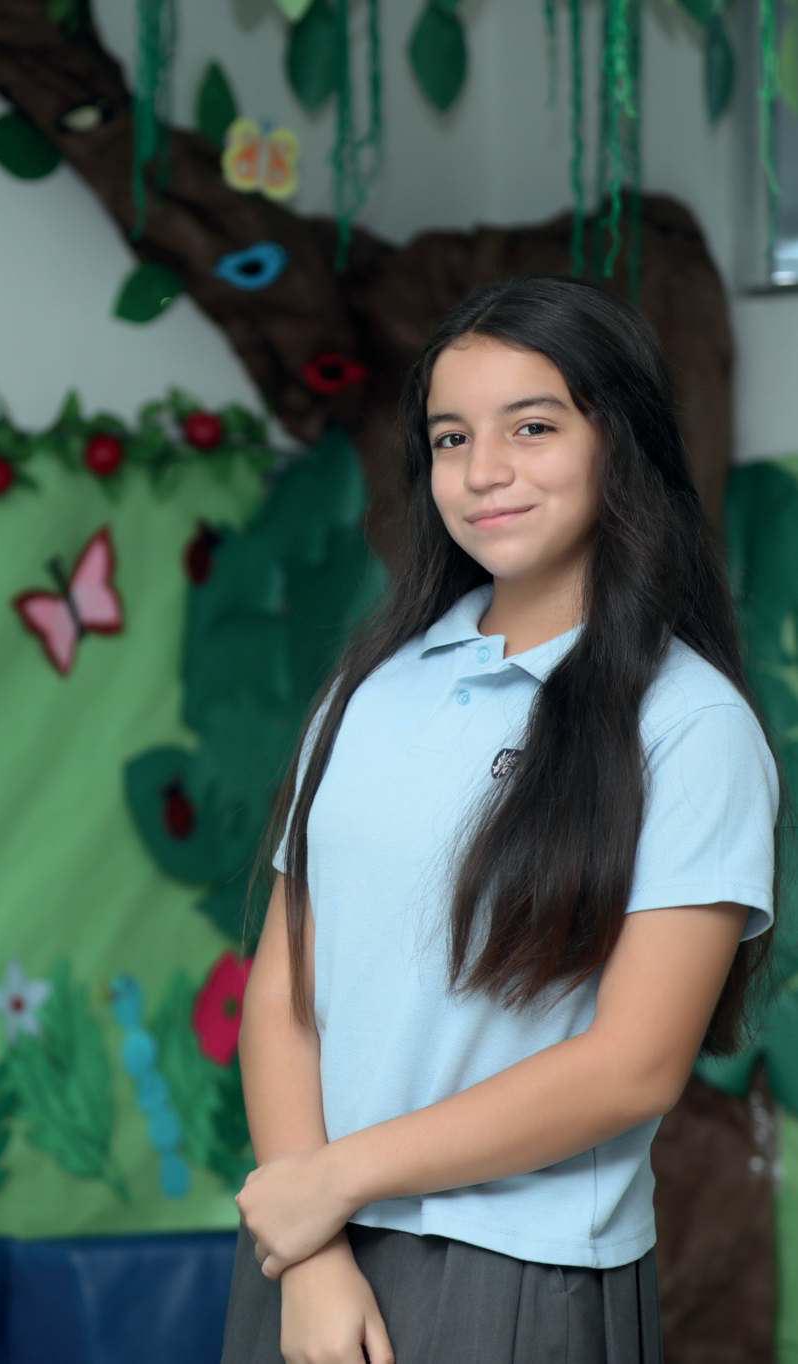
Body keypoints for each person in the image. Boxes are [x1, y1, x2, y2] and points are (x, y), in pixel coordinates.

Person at [219, 274, 788, 1364]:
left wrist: (335, 1180)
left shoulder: (687, 723)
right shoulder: (368, 689)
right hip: (303, 1256)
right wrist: (314, 1245)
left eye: (531, 427)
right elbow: (286, 991)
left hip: (515, 1274)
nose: (482, 472)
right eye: (450, 438)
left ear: (619, 442)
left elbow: (631, 1065)